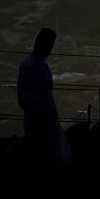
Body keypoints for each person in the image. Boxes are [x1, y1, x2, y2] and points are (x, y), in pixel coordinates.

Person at [17, 27, 71, 167]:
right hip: (38, 119)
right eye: (49, 45)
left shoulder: (36, 65)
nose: (50, 49)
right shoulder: (32, 66)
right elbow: (25, 97)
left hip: (43, 118)